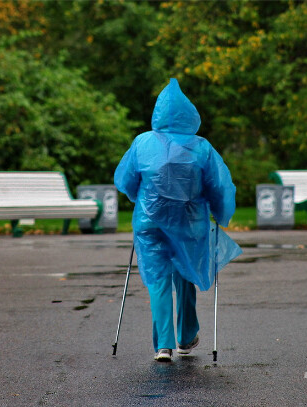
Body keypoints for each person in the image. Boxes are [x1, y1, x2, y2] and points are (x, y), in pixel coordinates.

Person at [114, 78, 241, 362]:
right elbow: (218, 186)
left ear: (158, 113)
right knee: (185, 272)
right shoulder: (201, 147)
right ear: (189, 114)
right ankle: (185, 337)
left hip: (150, 222)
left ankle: (163, 345)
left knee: (157, 278)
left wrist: (141, 200)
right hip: (189, 222)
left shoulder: (142, 142)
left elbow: (127, 180)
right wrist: (221, 213)